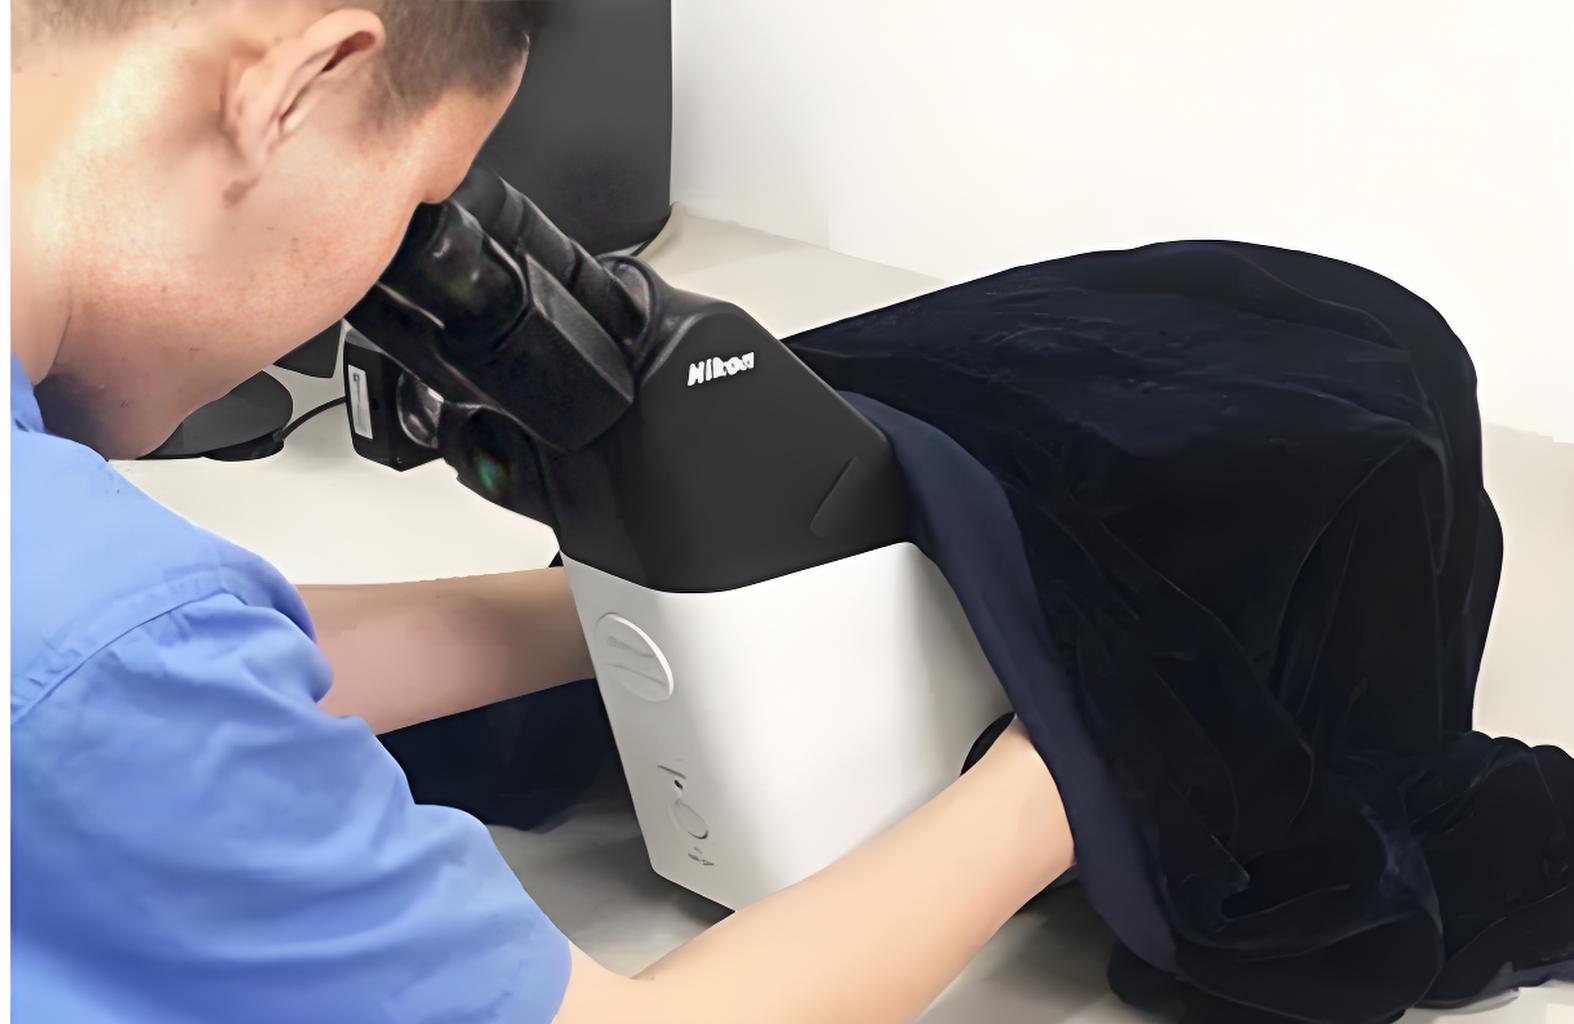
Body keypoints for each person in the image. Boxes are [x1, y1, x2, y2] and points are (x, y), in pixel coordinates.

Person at [10, 2, 1075, 1021]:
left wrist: (651, 602)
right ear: (298, 87)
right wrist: (1058, 774)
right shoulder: (103, 636)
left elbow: (192, 665)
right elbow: (128, 669)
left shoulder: (89, 602)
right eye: (416, 206)